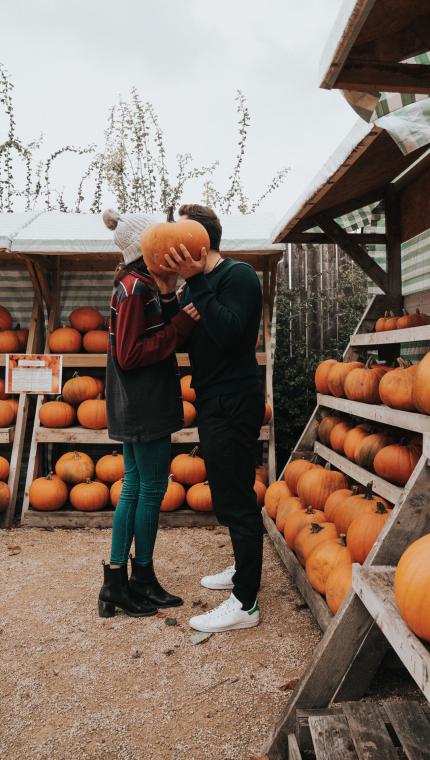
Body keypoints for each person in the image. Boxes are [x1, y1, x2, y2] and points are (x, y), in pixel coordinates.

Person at [161, 204, 264, 633]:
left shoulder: (237, 276)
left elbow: (228, 332)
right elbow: (182, 336)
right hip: (212, 398)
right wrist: (171, 293)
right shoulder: (197, 285)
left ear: (196, 243)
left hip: (235, 399)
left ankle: (246, 604)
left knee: (238, 498)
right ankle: (242, 571)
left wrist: (196, 283)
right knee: (224, 492)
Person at [98, 208, 199, 618]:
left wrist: (172, 298)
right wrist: (180, 330)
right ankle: (133, 578)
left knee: (135, 487)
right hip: (144, 405)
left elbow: (145, 332)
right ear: (147, 247)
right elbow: (130, 353)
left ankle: (120, 582)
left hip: (133, 403)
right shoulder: (136, 288)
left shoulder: (136, 284)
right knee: (150, 488)